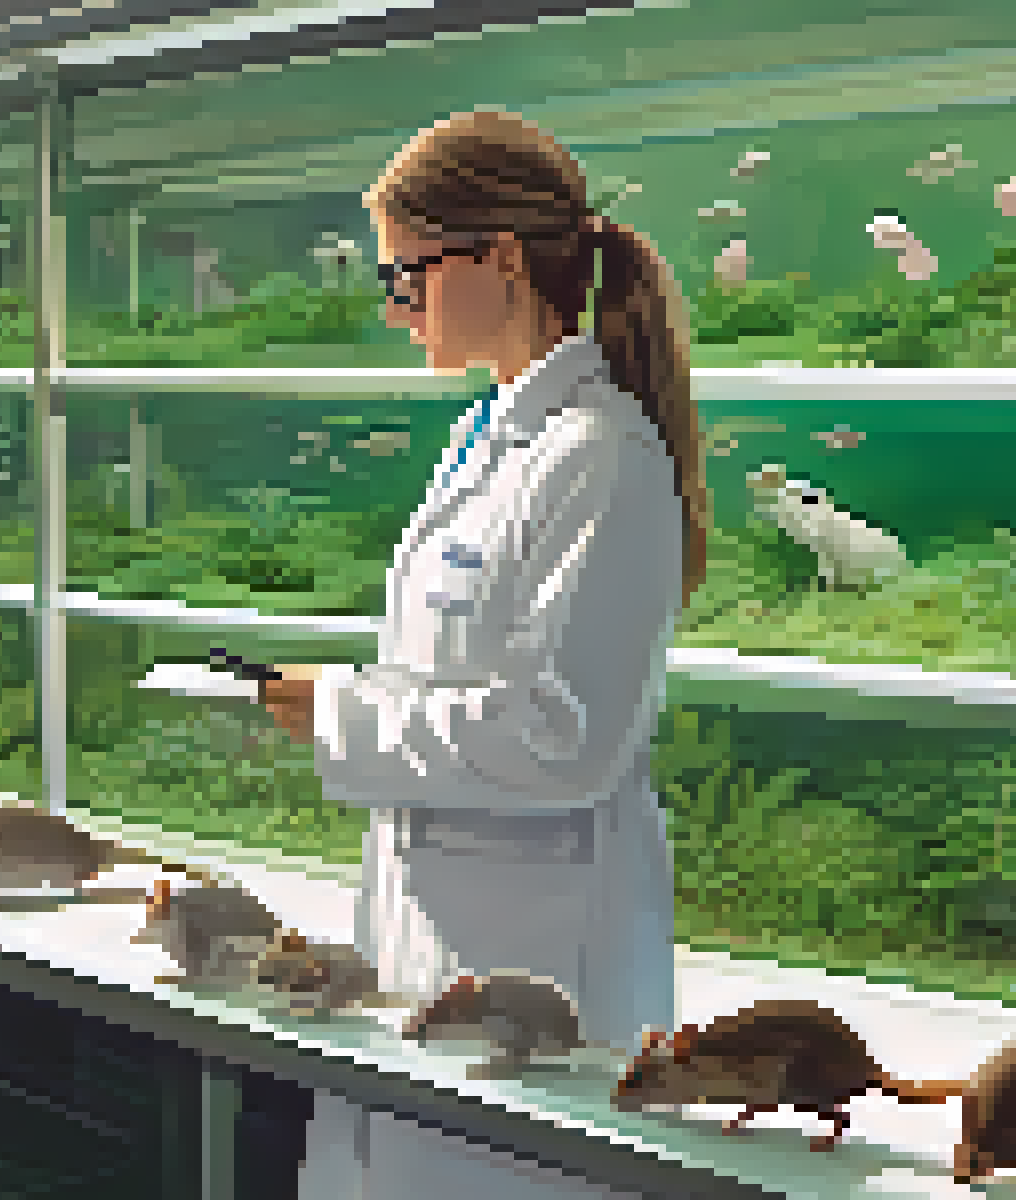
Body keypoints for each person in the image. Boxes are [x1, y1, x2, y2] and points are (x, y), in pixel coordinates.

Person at [255, 109, 710, 1198]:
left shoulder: (602, 458)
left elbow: (566, 739)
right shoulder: (492, 434)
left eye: (406, 276)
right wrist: (346, 707)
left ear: (500, 259)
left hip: (545, 962)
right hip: (439, 938)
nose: (396, 307)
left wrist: (343, 715)